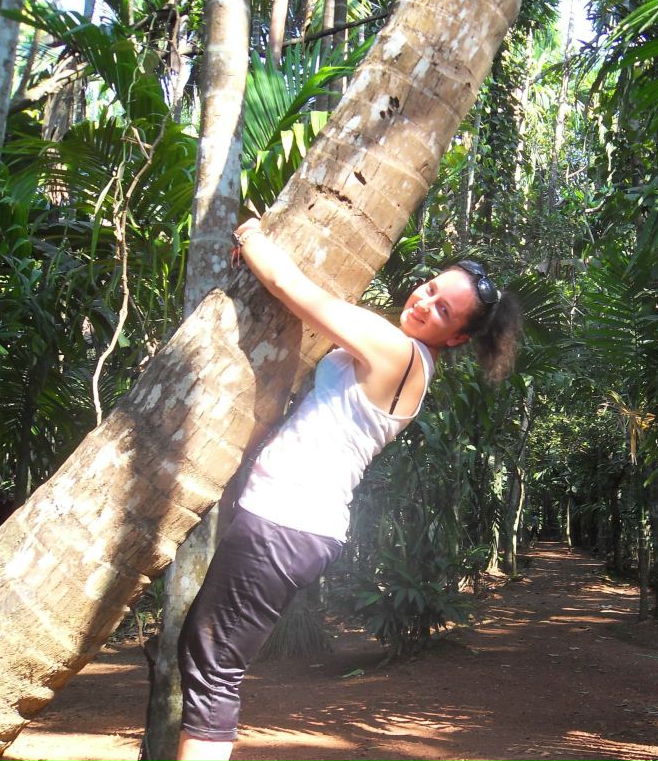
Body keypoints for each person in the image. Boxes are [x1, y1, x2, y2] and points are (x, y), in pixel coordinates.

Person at [175, 218, 522, 761]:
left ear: (456, 337)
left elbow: (295, 291)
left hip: (285, 520)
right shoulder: (412, 362)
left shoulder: (395, 351)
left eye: (443, 311)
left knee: (214, 666)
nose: (425, 303)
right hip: (296, 524)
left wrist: (252, 238)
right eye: (431, 288)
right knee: (209, 653)